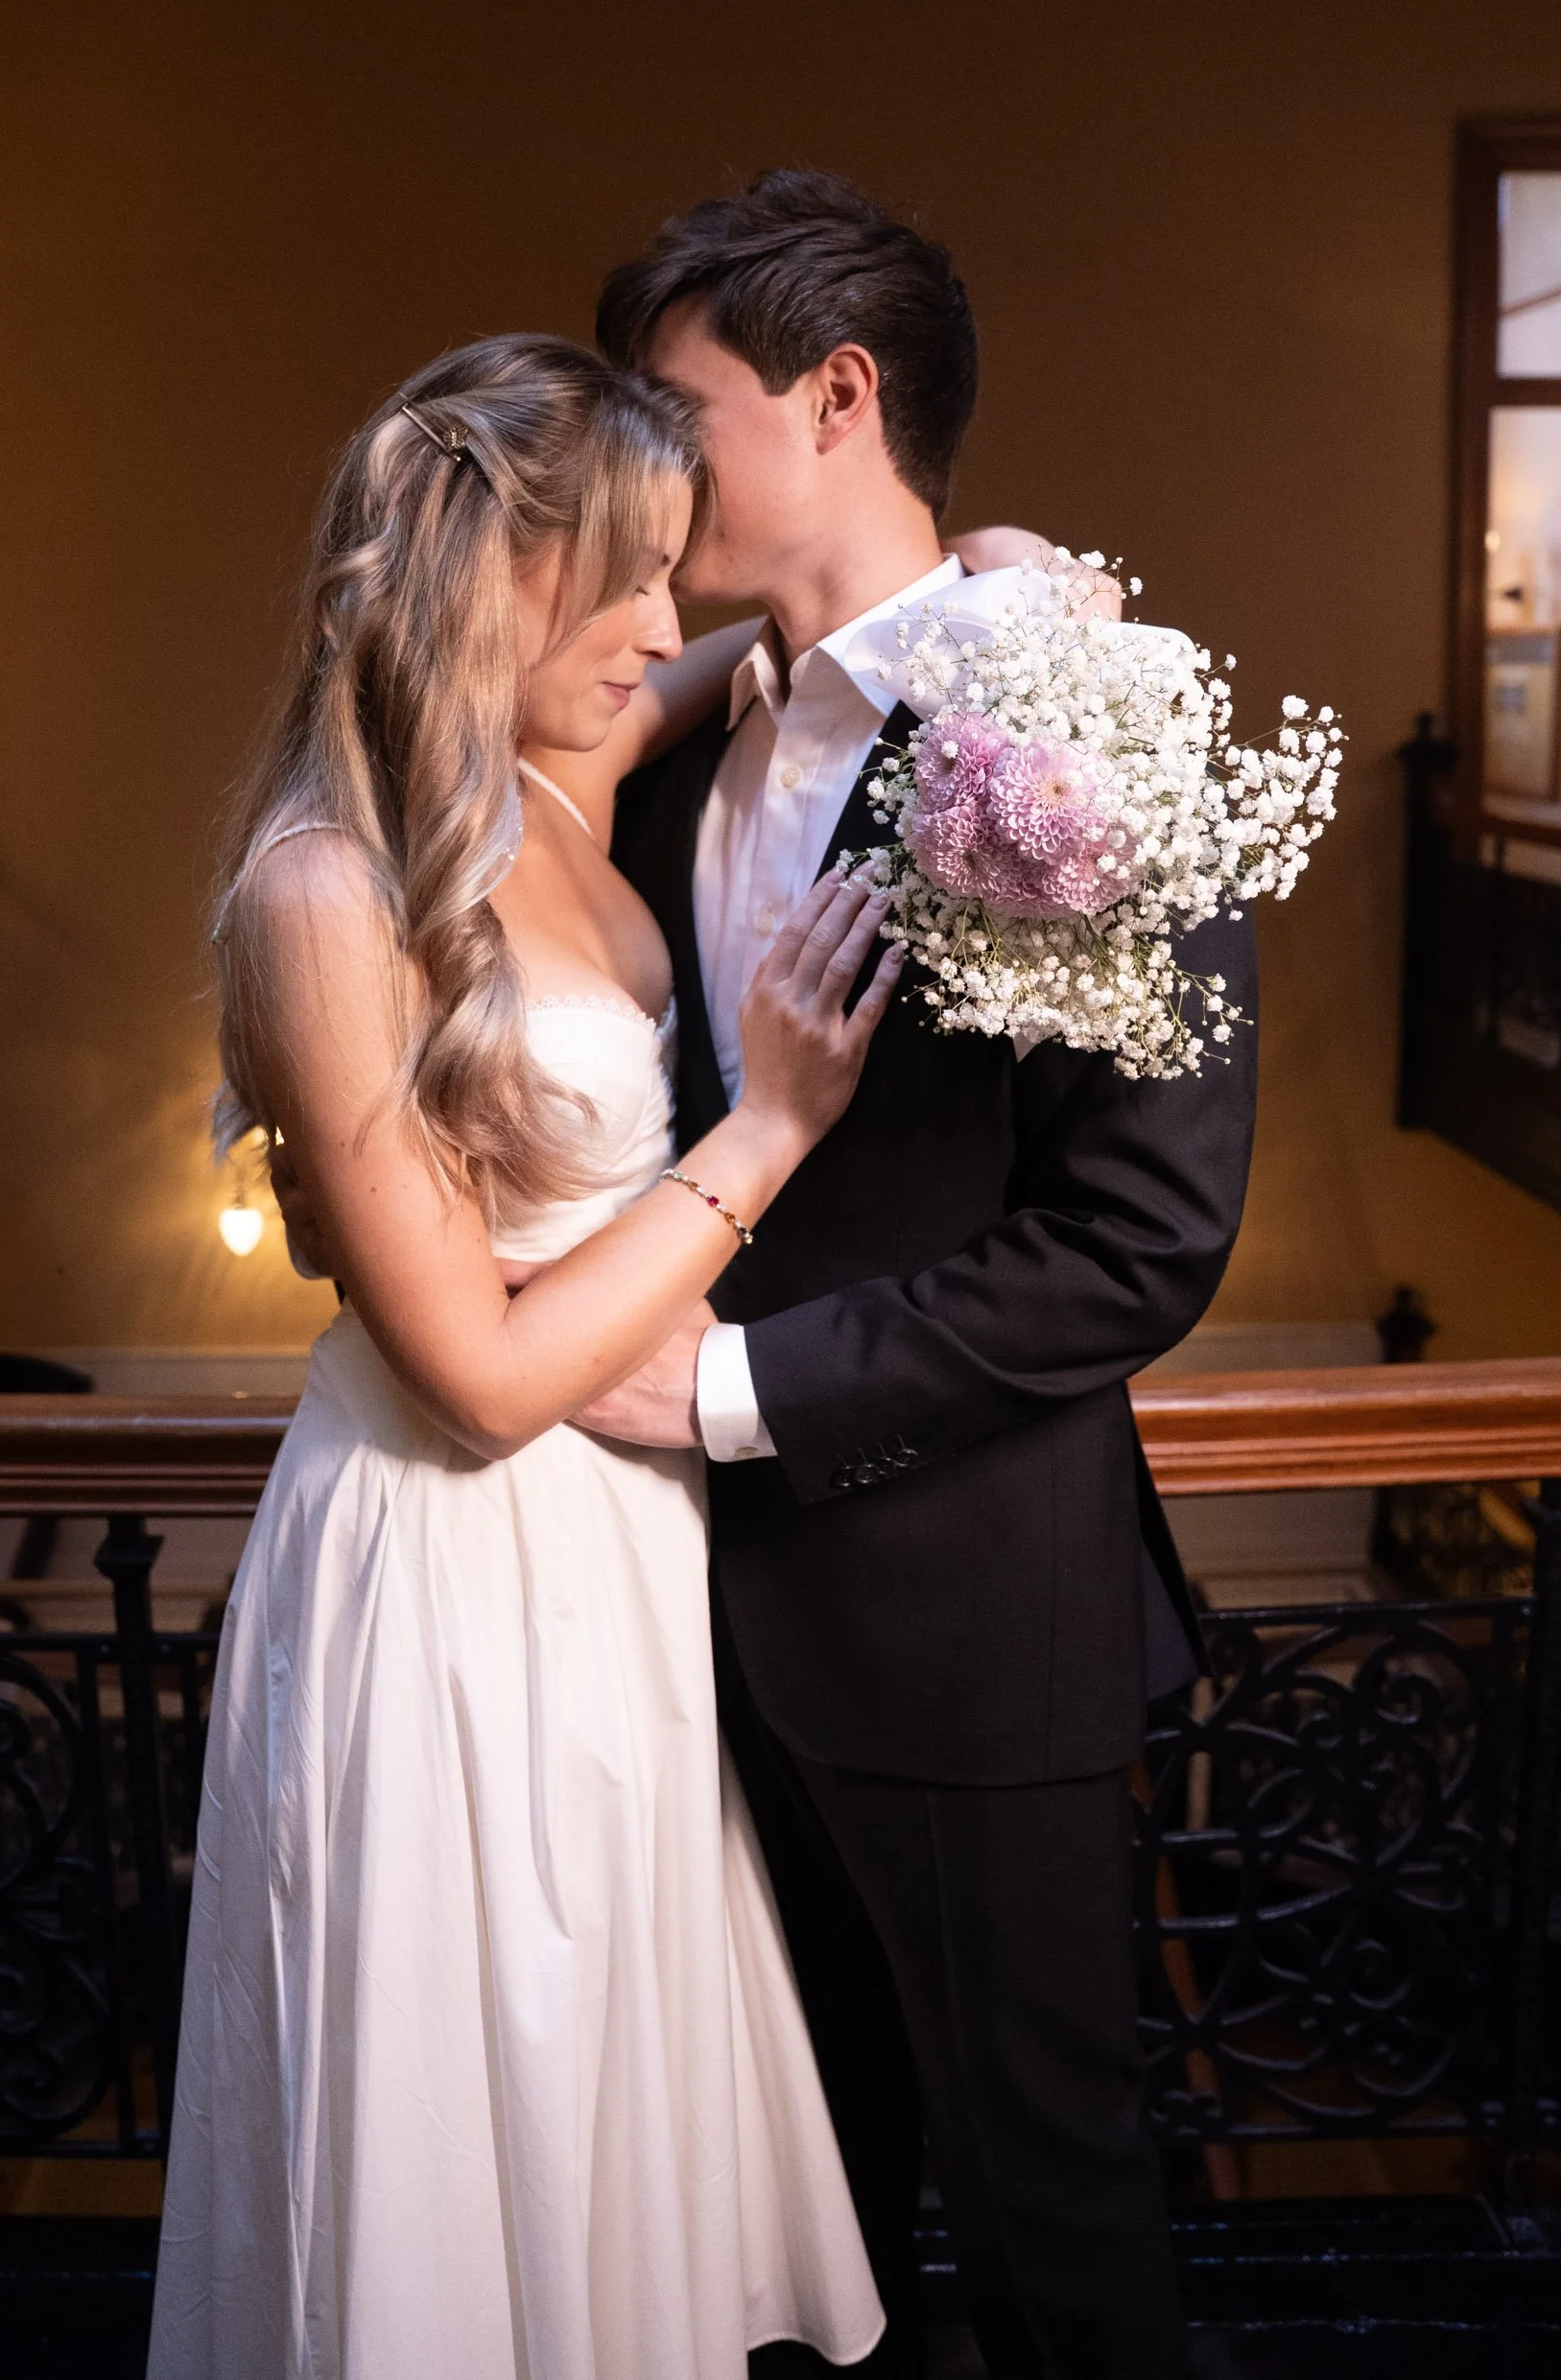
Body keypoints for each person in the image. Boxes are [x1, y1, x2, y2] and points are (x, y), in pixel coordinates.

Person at [152, 334, 912, 2380]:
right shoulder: (326, 887)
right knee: (461, 2111)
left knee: (594, 2119)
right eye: (630, 580)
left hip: (623, 1555)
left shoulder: (557, 779)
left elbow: (717, 649)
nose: (666, 629)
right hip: (451, 1558)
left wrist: (993, 576)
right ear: (489, 574)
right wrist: (764, 1131)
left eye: (677, 573)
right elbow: (480, 1383)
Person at [565, 170, 1258, 2380]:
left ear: (837, 394)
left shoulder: (1072, 718)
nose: (638, 473)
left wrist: (732, 1395)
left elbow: (1135, 1239)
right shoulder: (682, 740)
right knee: (790, 2234)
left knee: (1054, 2240)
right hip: (672, 1634)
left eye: (672, 413)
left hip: (962, 1622)